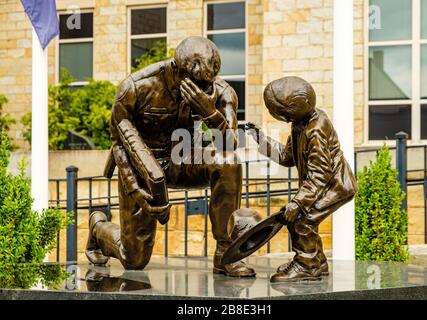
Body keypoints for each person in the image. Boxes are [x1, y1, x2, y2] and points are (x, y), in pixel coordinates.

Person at [86, 37, 255, 277]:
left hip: (184, 161)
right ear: (176, 70)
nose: (202, 90)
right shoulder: (136, 86)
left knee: (228, 161)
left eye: (207, 85)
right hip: (142, 168)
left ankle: (225, 253)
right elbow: (118, 144)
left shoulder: (221, 91)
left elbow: (230, 144)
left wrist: (211, 113)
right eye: (194, 84)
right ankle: (98, 228)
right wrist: (134, 188)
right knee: (134, 259)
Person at [246, 76, 357, 282]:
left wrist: (298, 202)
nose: (275, 115)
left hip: (335, 186)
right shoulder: (300, 124)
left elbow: (320, 173)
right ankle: (318, 261)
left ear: (289, 111)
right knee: (305, 219)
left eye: (276, 112)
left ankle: (307, 265)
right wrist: (259, 138)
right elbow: (287, 157)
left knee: (301, 220)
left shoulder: (315, 129)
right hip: (322, 185)